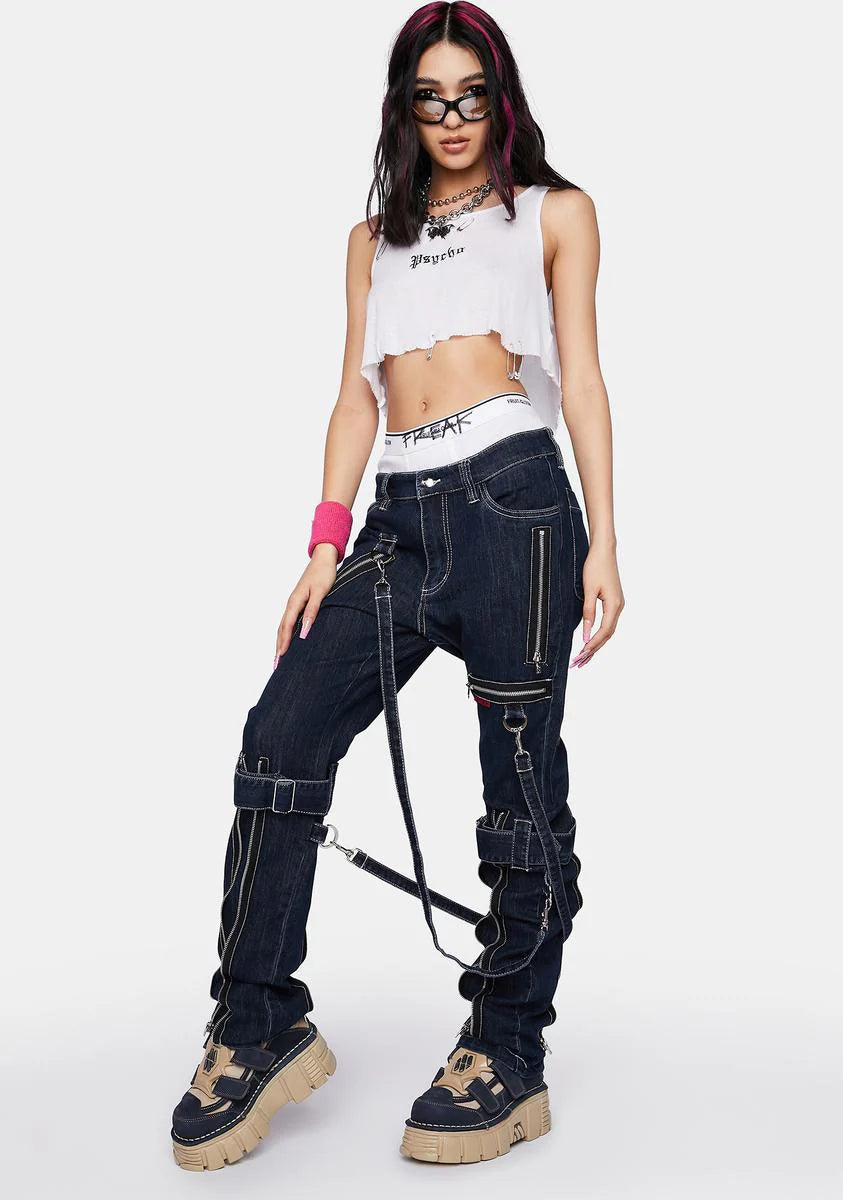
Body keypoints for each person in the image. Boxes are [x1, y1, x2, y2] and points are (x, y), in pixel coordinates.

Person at [170, 0, 624, 1170]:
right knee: (282, 736)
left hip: (515, 501)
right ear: (405, 110)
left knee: (517, 786)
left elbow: (580, 377)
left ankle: (506, 1049)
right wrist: (325, 543)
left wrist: (606, 542)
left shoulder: (554, 212)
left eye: (474, 95)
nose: (454, 117)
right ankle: (258, 1021)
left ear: (501, 101)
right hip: (397, 516)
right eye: (432, 98)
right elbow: (354, 397)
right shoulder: (372, 239)